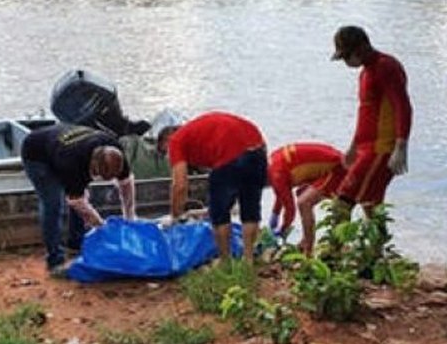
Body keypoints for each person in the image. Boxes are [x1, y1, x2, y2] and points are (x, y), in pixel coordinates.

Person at [21, 123, 136, 275]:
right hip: (36, 153)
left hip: (60, 143)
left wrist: (130, 220)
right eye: (100, 176)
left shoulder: (116, 150)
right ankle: (55, 261)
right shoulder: (72, 163)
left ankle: (76, 241)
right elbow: (77, 202)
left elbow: (126, 186)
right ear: (93, 164)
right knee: (53, 204)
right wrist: (101, 227)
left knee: (79, 189)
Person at [157, 111, 266, 263]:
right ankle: (248, 259)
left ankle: (225, 262)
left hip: (230, 154)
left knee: (219, 214)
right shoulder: (196, 132)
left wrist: (175, 216)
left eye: (165, 152)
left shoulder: (176, 141)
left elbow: (180, 185)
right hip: (257, 147)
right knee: (250, 208)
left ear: (166, 141)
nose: (169, 157)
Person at [329, 25, 412, 219]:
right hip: (366, 148)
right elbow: (365, 114)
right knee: (371, 205)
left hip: (380, 149)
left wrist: (401, 147)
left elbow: (403, 106)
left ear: (361, 48)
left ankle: (335, 249)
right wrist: (353, 147)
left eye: (347, 56)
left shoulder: (386, 66)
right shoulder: (366, 73)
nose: (346, 62)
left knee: (341, 203)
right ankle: (377, 249)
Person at [266, 142, 346, 255]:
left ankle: (308, 251)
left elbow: (290, 210)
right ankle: (305, 241)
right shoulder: (273, 163)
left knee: (304, 202)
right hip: (330, 161)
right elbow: (282, 192)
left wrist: (282, 230)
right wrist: (275, 214)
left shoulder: (277, 175)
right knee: (301, 193)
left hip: (337, 168)